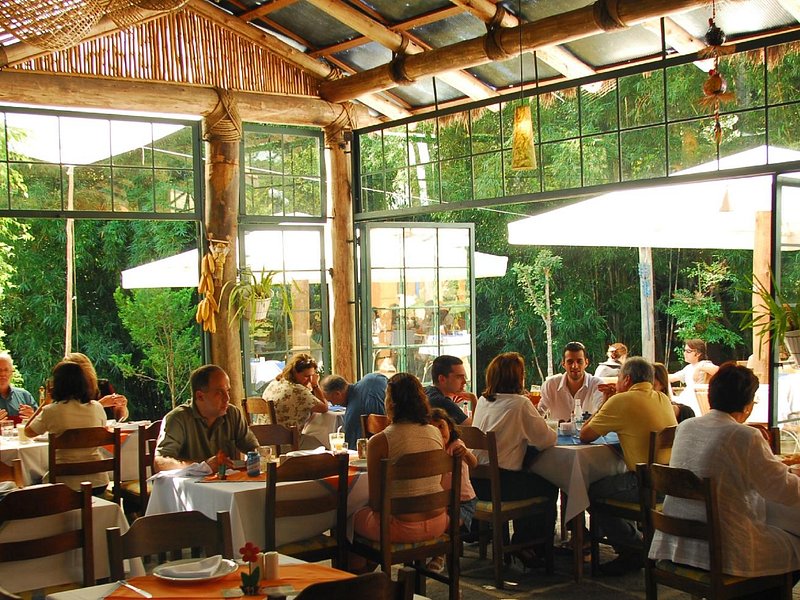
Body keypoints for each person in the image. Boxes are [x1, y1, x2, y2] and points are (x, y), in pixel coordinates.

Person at [650, 363, 800, 589]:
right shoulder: (744, 435)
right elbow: (781, 489)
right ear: (748, 404)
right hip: (726, 552)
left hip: (679, 545)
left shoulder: (686, 427)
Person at [580, 356, 678, 575]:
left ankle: (633, 548)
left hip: (644, 484)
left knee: (588, 491)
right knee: (611, 485)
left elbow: (585, 434)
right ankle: (636, 543)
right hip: (670, 483)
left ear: (625, 379)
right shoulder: (662, 398)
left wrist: (607, 399)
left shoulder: (621, 401)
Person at [472, 352, 558, 567]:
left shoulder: (483, 400)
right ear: (517, 377)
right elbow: (547, 440)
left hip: (477, 484)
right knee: (549, 483)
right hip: (502, 485)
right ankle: (528, 545)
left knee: (528, 477)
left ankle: (524, 544)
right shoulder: (520, 404)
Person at [353, 372, 446, 545]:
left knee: (349, 518)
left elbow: (376, 502)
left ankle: (360, 570)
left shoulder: (380, 441)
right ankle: (368, 566)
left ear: (390, 402)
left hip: (401, 528)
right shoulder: (436, 433)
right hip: (439, 522)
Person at [154, 364, 258, 472]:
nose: (227, 398)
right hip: (191, 487)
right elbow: (160, 463)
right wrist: (202, 466)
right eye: (219, 392)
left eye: (227, 391)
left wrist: (258, 458)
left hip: (228, 485)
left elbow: (253, 449)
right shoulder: (177, 419)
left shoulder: (233, 414)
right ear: (200, 396)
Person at [25, 361, 108, 494]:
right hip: (98, 481)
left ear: (56, 384)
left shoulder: (51, 410)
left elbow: (28, 432)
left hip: (63, 483)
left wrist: (45, 403)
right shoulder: (97, 407)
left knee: (30, 480)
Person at [428, 407, 478, 574]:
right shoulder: (432, 451)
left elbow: (474, 463)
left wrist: (465, 454)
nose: (439, 432)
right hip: (442, 503)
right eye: (433, 429)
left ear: (449, 426)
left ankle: (439, 555)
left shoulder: (456, 445)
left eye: (441, 426)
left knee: (446, 525)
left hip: (464, 503)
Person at [319, 372, 388, 448]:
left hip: (378, 450)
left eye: (331, 401)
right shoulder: (374, 377)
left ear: (337, 394)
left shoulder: (352, 416)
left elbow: (353, 450)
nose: (333, 405)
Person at [539, 341, 604, 421]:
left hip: (587, 433)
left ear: (586, 363)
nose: (575, 366)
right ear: (563, 364)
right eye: (570, 362)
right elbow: (538, 414)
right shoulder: (551, 385)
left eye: (579, 361)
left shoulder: (597, 385)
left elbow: (603, 413)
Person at [262, 353, 328, 430]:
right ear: (294, 373)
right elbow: (324, 408)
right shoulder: (298, 390)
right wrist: (315, 385)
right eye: (306, 376)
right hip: (285, 438)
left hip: (262, 434)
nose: (310, 380)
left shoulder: (275, 383)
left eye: (312, 376)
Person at [64, 352, 129, 421]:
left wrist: (121, 408)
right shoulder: (62, 391)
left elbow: (118, 418)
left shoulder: (103, 386)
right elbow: (70, 418)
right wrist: (100, 404)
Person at [669, 339, 718, 416]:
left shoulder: (704, 364)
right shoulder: (688, 367)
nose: (685, 353)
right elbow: (672, 377)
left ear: (698, 353)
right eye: (684, 351)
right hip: (687, 397)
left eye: (688, 351)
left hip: (696, 400)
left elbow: (718, 370)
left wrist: (699, 368)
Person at [424, 355, 476, 426]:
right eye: (458, 377)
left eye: (464, 377)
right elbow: (475, 428)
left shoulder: (427, 391)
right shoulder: (443, 402)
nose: (464, 382)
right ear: (442, 379)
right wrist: (474, 400)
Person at [0, 352, 37, 421]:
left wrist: (33, 418)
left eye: (6, 370)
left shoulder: (25, 396)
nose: (2, 374)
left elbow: (41, 424)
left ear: (11, 373)